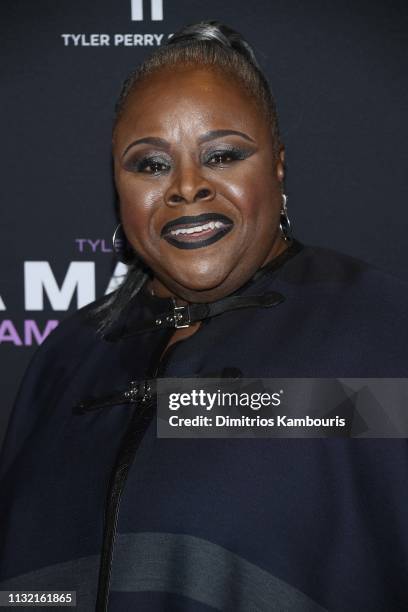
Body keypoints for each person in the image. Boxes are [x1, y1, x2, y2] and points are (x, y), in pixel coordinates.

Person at [1, 20, 408, 612]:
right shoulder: (65, 358)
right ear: (118, 183)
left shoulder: (381, 330)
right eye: (150, 164)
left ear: (278, 166)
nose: (187, 187)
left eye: (222, 154)